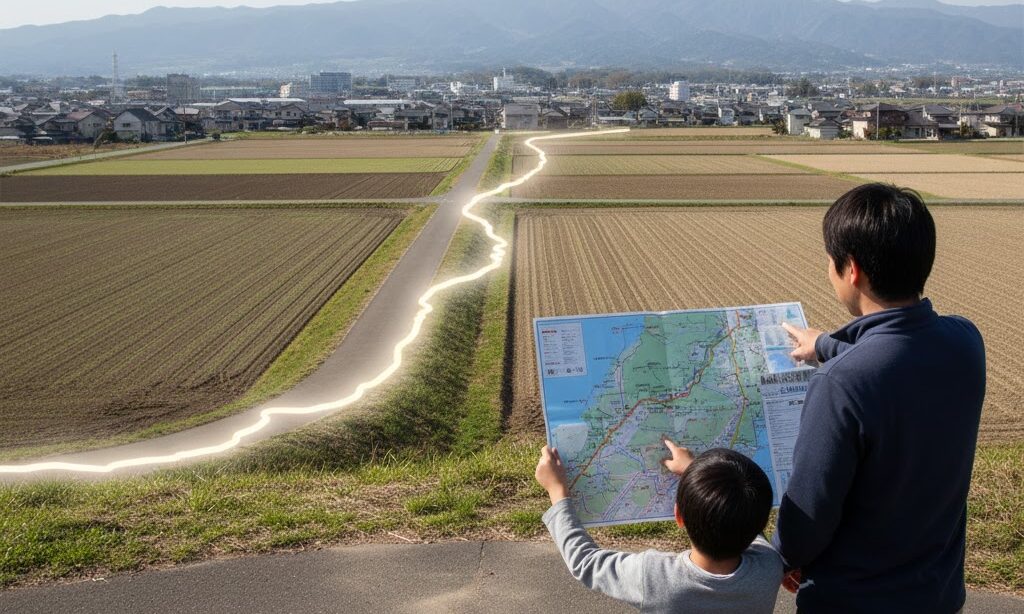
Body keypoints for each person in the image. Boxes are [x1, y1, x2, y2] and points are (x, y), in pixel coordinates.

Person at [774, 183, 986, 612]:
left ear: (852, 270)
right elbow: (900, 358)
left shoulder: (840, 385)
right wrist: (827, 345)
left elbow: (807, 520)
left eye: (830, 262)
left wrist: (783, 558)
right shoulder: (966, 342)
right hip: (939, 595)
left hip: (853, 600)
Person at [535, 441, 783, 613]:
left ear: (679, 516)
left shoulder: (654, 577)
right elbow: (750, 522)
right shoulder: (770, 567)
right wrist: (695, 474)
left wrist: (557, 492)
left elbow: (586, 562)